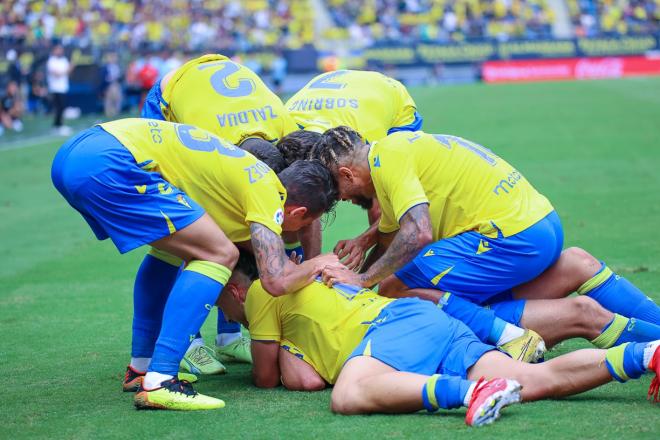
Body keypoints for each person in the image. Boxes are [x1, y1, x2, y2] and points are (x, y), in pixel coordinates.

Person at [51, 118, 340, 410]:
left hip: (78, 153)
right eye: (303, 225)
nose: (289, 234)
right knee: (218, 255)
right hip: (110, 160)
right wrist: (317, 263)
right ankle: (161, 380)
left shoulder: (239, 189)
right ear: (297, 210)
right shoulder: (268, 190)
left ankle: (142, 368)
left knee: (172, 252)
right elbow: (274, 281)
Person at [214, 253, 660, 426]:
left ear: (236, 290)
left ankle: (469, 393)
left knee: (349, 394)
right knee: (536, 379)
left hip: (390, 329)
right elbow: (304, 376)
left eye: (221, 307)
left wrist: (273, 347)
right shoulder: (312, 279)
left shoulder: (260, 292)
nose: (227, 316)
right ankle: (646, 355)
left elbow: (273, 378)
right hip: (424, 322)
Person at [311, 128, 660, 332]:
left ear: (346, 175)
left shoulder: (388, 164)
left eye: (338, 192)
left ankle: (503, 336)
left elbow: (417, 234)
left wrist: (362, 280)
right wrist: (364, 241)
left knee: (394, 287)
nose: (340, 199)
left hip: (510, 239)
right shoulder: (392, 149)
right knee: (576, 264)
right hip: (542, 223)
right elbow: (391, 232)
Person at [140, 53, 308, 371]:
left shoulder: (286, 131)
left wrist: (298, 259)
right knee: (188, 238)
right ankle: (188, 341)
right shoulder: (205, 148)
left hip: (219, 96)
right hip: (170, 97)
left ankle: (228, 338)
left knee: (244, 227)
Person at [279, 70, 423, 270]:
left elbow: (383, 213)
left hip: (388, 98)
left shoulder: (363, 145)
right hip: (339, 94)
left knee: (383, 201)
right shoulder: (283, 141)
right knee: (298, 202)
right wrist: (312, 268)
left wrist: (364, 241)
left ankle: (386, 283)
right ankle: (311, 273)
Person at [46, 44, 72, 136]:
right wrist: (66, 70)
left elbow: (68, 72)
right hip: (55, 88)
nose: (60, 51)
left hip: (63, 87)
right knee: (58, 108)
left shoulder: (64, 60)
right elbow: (56, 74)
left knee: (63, 107)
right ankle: (57, 126)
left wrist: (70, 68)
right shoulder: (51, 61)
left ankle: (58, 125)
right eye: (58, 49)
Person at [101, 52, 123, 118]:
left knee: (118, 98)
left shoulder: (117, 66)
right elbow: (103, 78)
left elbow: (120, 76)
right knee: (108, 100)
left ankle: (116, 112)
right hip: (108, 85)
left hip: (116, 84)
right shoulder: (105, 67)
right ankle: (108, 113)